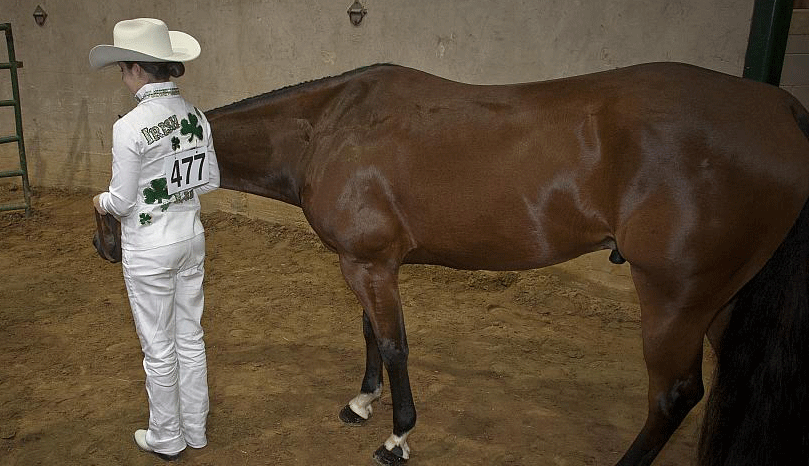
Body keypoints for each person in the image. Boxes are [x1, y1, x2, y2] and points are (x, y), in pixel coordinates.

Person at [89, 18, 219, 461]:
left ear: (135, 69)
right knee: (191, 338)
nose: (123, 78)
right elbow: (209, 180)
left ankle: (167, 436)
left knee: (159, 348)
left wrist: (101, 201)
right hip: (191, 236)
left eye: (123, 70)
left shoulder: (129, 126)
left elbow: (123, 202)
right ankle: (196, 428)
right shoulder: (197, 116)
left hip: (150, 247)